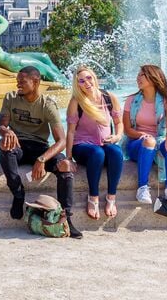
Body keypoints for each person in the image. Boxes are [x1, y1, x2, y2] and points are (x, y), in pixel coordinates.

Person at [0, 66, 81, 238]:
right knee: (4, 144)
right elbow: (1, 126)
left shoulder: (48, 104)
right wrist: (7, 131)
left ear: (35, 82)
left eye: (22, 81)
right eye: (17, 81)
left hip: (39, 146)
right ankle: (18, 193)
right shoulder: (10, 98)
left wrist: (42, 159)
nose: (18, 84)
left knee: (65, 165)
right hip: (18, 144)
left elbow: (62, 140)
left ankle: (66, 218)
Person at [66, 67, 124, 220]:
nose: (87, 83)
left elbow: (119, 122)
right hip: (82, 146)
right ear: (77, 85)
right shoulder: (76, 102)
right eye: (81, 81)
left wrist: (117, 136)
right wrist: (68, 158)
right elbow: (70, 132)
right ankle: (93, 198)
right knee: (97, 153)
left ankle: (111, 197)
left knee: (117, 152)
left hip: (104, 143)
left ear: (94, 78)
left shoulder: (109, 97)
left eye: (89, 78)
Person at [122, 65, 167, 205]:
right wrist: (142, 134)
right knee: (149, 141)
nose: (138, 78)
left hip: (159, 139)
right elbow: (128, 130)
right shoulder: (131, 100)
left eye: (142, 75)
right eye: (138, 75)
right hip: (137, 143)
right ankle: (142, 187)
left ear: (153, 78)